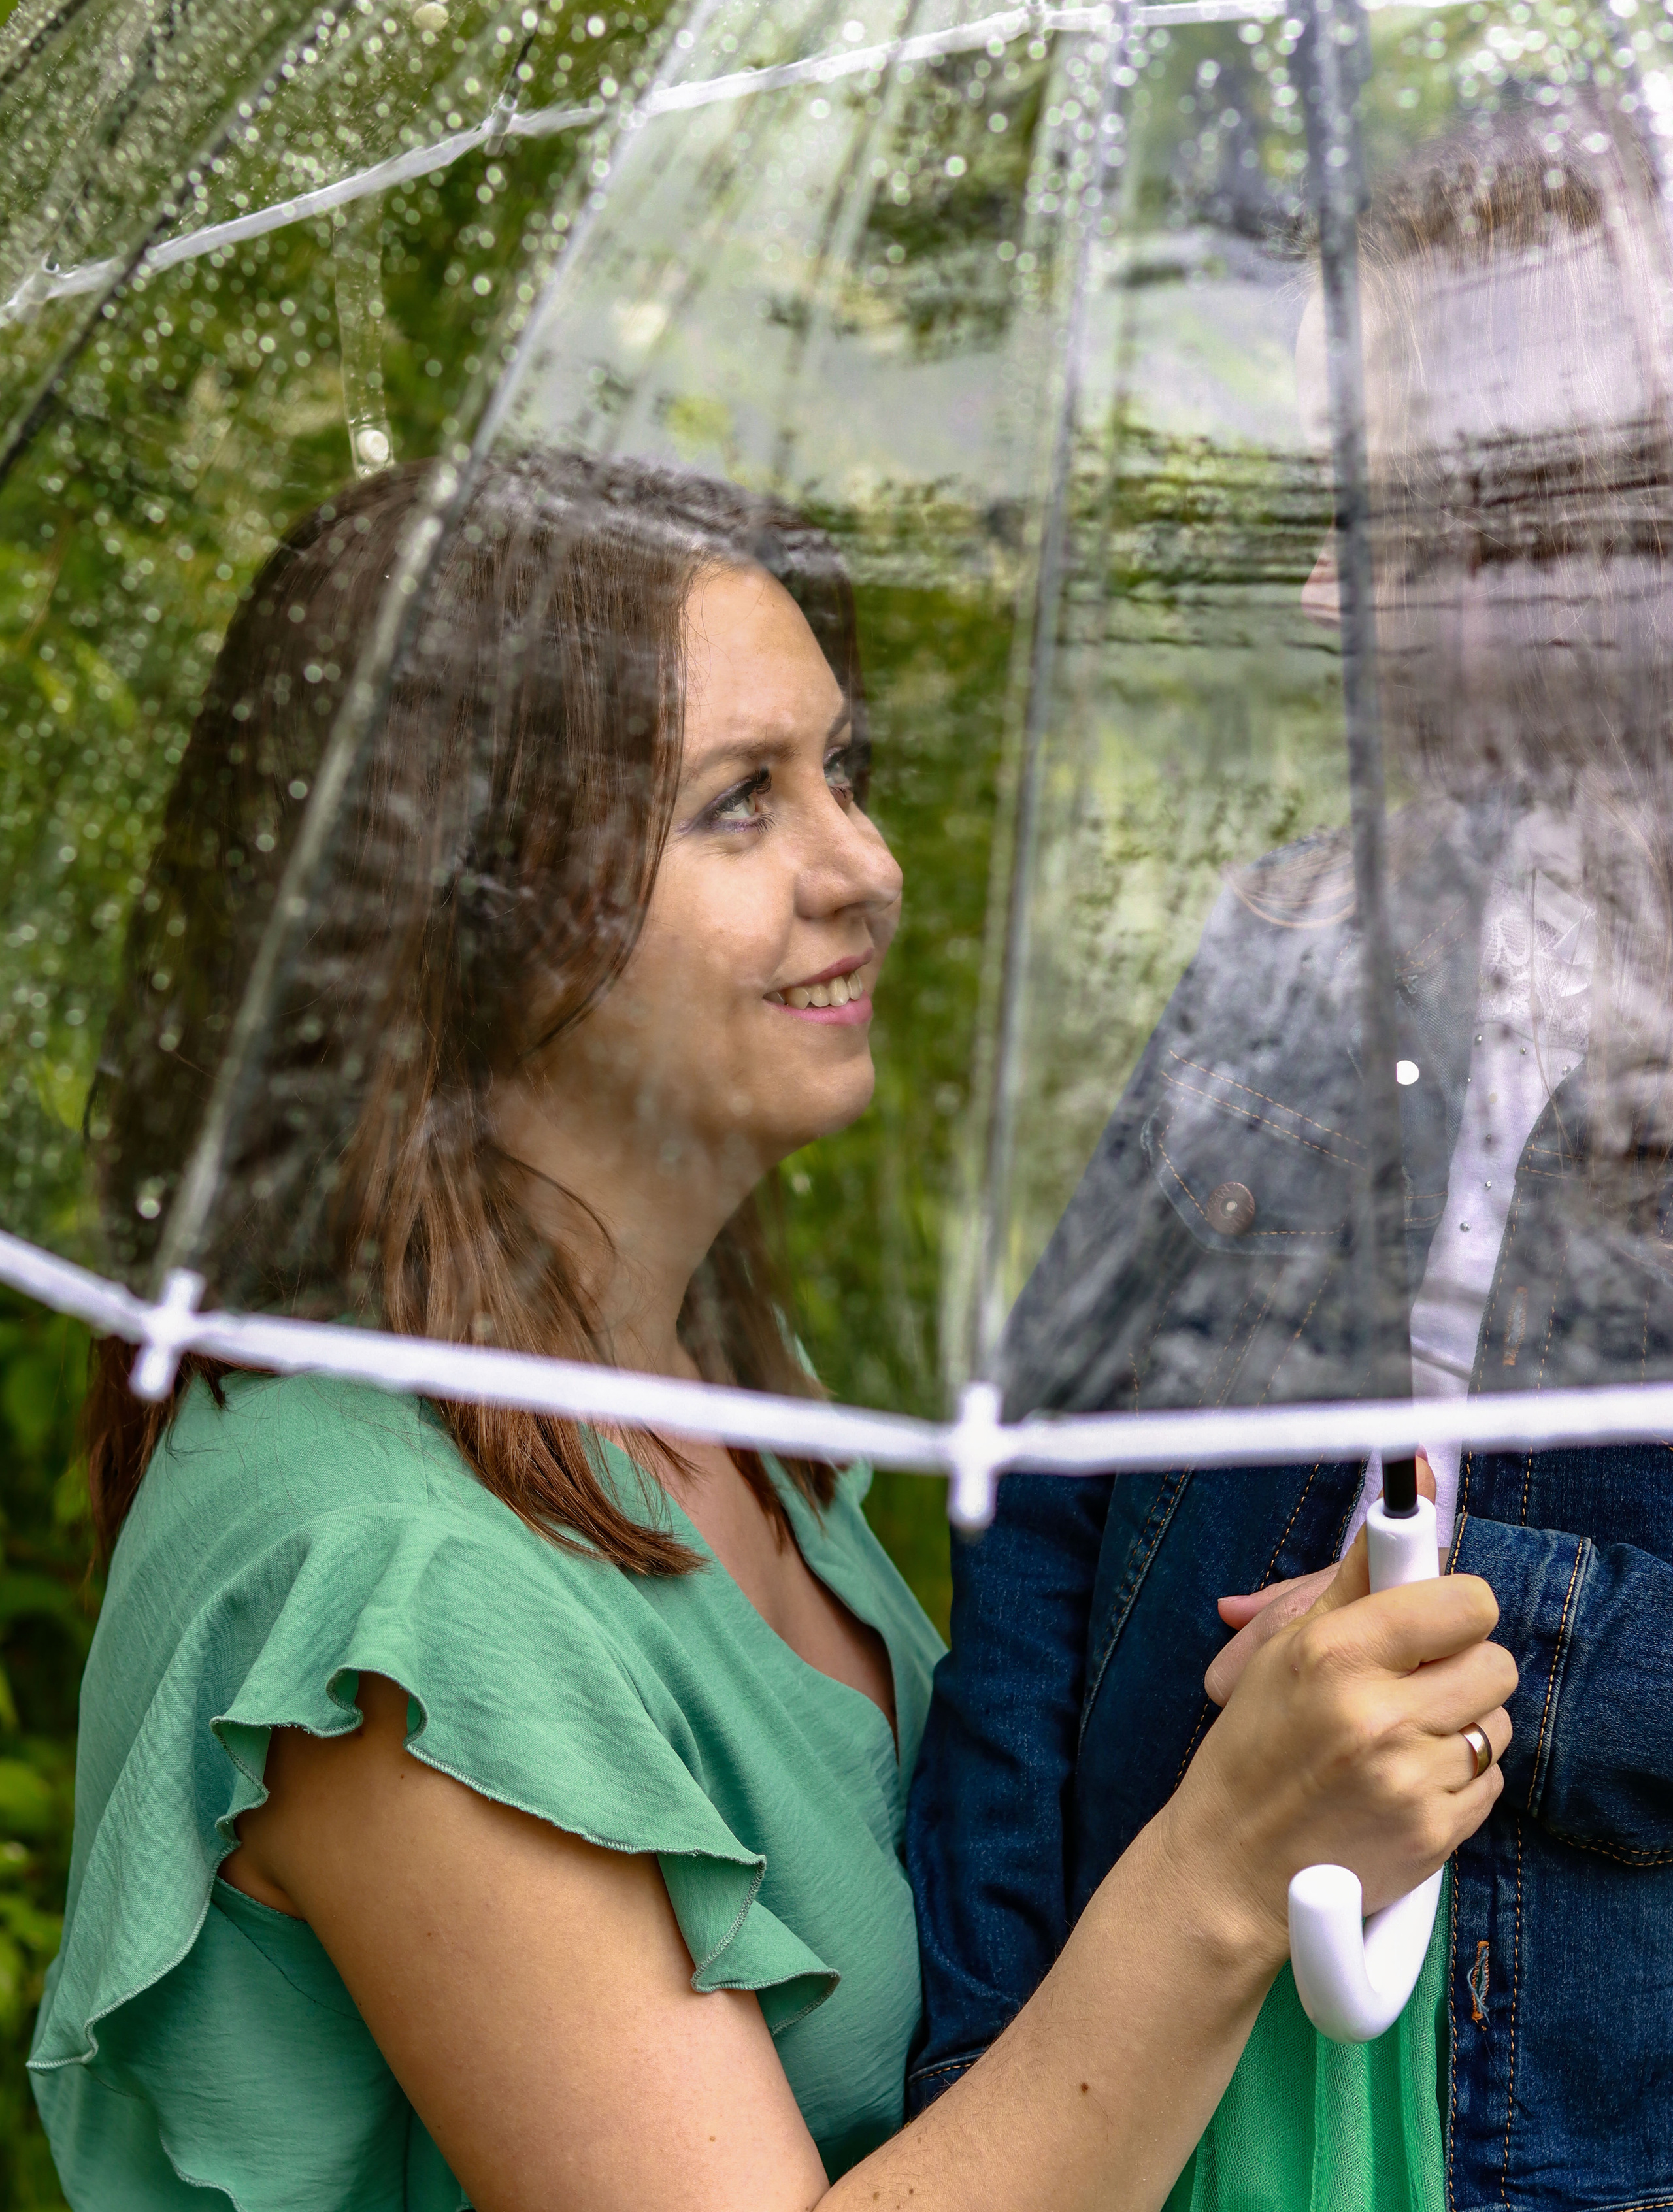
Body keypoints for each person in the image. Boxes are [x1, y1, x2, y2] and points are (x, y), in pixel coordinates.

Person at [28, 449, 1510, 2210]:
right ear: (465, 898)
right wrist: (1231, 1853)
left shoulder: (710, 1394)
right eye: (740, 802)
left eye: (847, 773)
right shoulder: (393, 1589)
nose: (863, 867)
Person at [908, 113, 1673, 2211]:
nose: (1332, 591)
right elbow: (1037, 1559)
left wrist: (1505, 1623)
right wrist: (980, 2077)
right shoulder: (1277, 955)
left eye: (1422, 518)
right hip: (1165, 2085)